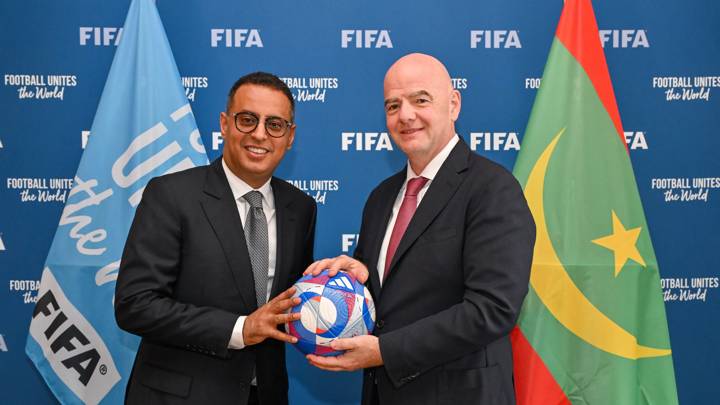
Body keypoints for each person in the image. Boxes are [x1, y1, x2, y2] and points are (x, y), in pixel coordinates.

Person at [306, 53, 536, 404]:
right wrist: (364, 274)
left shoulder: (493, 188)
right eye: (393, 105)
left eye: (420, 100)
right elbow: (398, 292)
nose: (406, 115)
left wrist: (385, 351)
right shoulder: (381, 197)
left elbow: (492, 309)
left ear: (454, 104)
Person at [115, 72, 318, 405]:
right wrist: (239, 329)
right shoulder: (171, 195)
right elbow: (135, 305)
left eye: (274, 124)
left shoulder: (301, 209)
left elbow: (293, 302)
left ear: (290, 136)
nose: (259, 134)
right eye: (247, 120)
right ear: (225, 124)